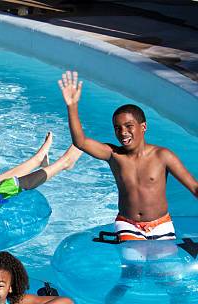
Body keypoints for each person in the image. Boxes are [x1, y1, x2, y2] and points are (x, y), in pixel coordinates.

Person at [58, 70, 198, 241]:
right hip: (128, 224)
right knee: (134, 264)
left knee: (165, 268)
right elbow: (80, 142)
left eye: (129, 126)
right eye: (117, 128)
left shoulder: (163, 156)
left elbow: (194, 187)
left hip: (161, 224)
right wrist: (72, 107)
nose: (123, 132)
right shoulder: (114, 155)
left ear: (143, 127)